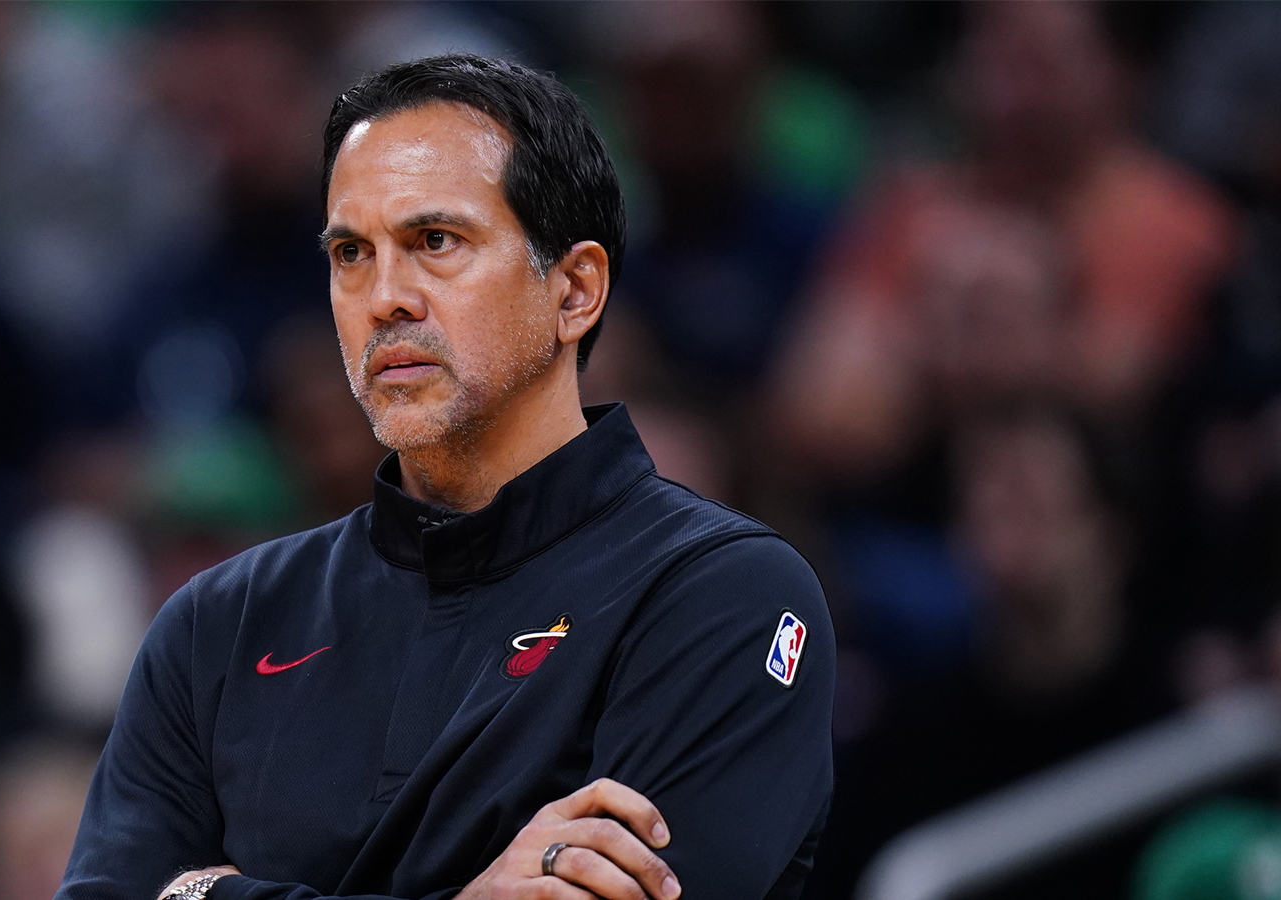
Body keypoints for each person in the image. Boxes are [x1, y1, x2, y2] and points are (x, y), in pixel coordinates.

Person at [56, 55, 833, 900]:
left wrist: (203, 892)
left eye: (435, 242)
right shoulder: (217, 625)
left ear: (575, 290)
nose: (384, 296)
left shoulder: (723, 596)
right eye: (351, 253)